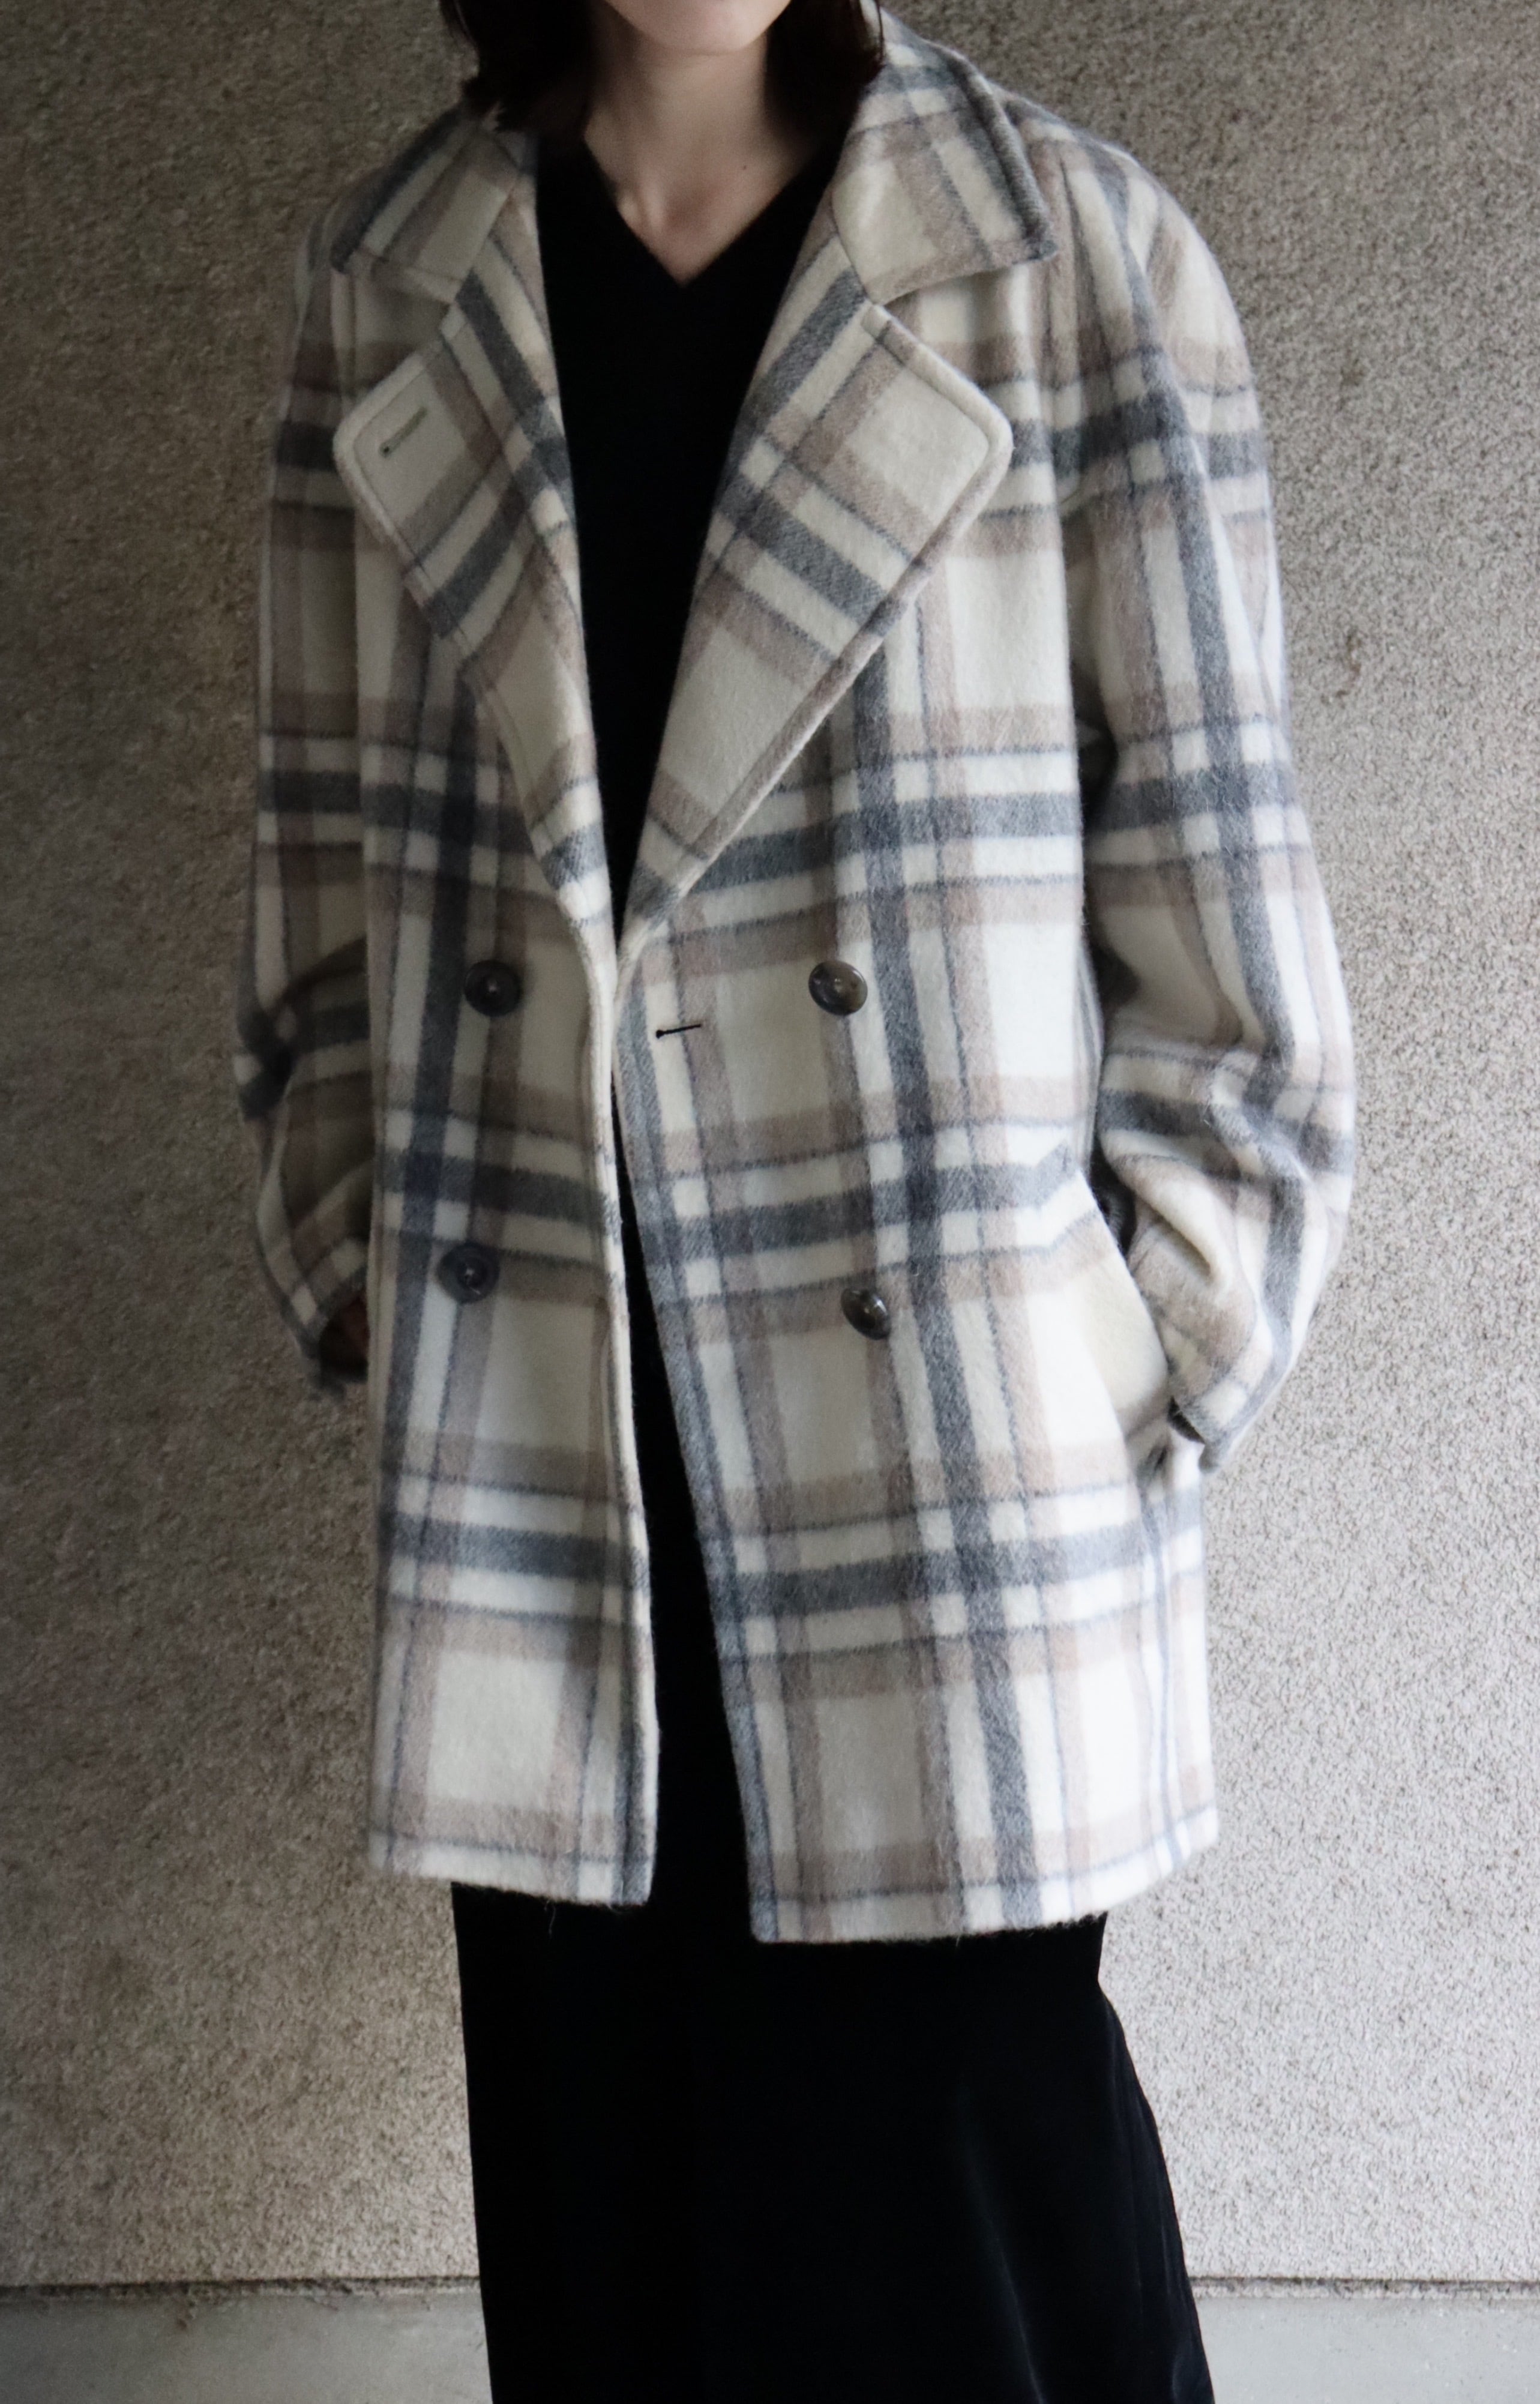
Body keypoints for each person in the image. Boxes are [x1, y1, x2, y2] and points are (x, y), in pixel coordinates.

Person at [234, 0, 1355, 2394]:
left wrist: (1135, 1354)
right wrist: (366, 1280)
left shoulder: (1069, 256)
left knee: (966, 2246)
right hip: (552, 1456)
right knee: (613, 2250)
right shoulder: (394, 279)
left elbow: (1229, 951)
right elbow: (322, 878)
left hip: (941, 1465)